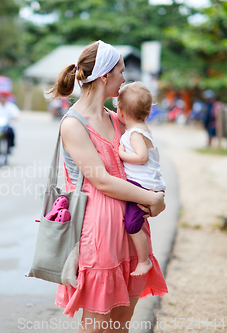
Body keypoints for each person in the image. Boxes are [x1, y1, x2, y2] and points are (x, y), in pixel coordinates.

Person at [49, 41, 167, 332]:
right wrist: (152, 199)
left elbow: (145, 163)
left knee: (120, 326)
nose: (124, 78)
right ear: (104, 76)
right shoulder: (73, 124)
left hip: (130, 227)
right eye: (121, 71)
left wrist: (158, 194)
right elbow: (100, 179)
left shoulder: (117, 119)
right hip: (98, 232)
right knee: (96, 327)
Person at [117, 82, 167, 277]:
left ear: (121, 113)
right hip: (148, 184)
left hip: (143, 185)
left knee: (131, 224)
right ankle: (143, 259)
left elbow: (142, 157)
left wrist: (121, 154)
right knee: (134, 221)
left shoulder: (135, 134)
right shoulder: (142, 128)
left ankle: (144, 261)